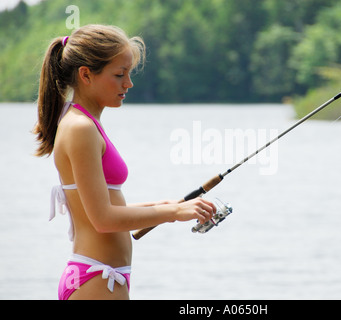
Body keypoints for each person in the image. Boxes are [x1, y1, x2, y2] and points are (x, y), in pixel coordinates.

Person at [33, 24, 216, 300]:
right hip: (96, 280)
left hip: (101, 277)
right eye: (119, 75)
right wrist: (175, 213)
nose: (128, 83)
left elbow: (101, 205)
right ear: (86, 75)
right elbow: (103, 219)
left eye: (128, 74)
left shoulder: (84, 123)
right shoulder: (80, 128)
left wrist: (166, 206)